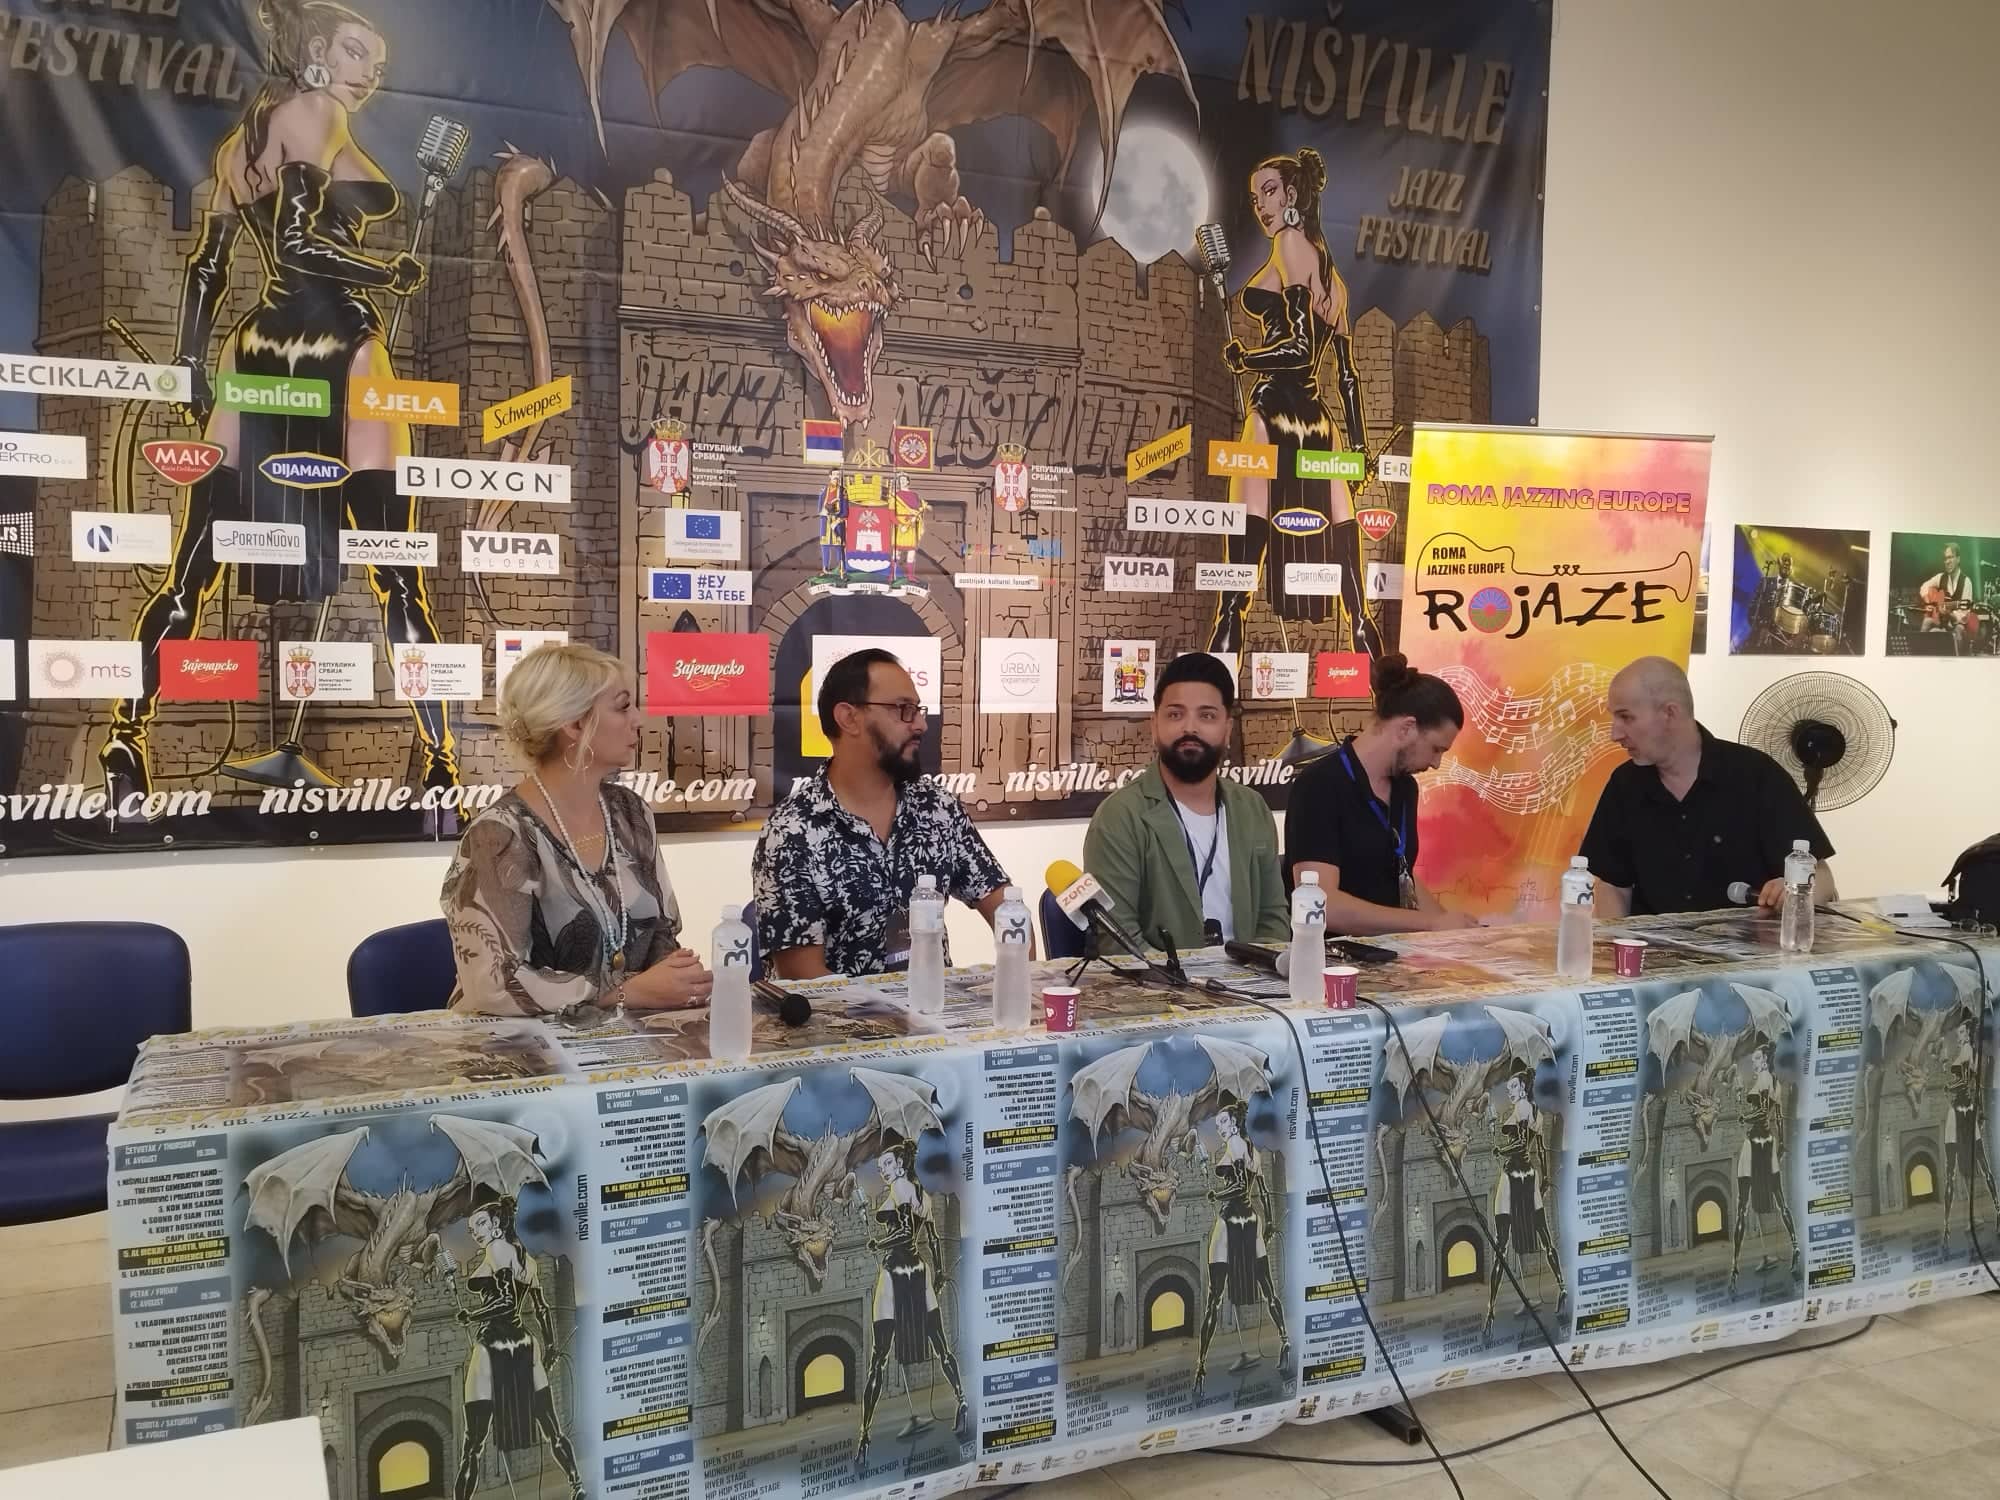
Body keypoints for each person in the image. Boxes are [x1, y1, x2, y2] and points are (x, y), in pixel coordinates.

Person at [100, 0, 454, 803]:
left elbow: (207, 267)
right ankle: (441, 759)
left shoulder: (239, 148)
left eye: (379, 62)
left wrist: (190, 366)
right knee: (397, 574)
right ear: (317, 50)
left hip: (256, 354)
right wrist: (385, 273)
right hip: (341, 348)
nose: (372, 72)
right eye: (357, 52)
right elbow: (297, 245)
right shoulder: (320, 113)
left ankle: (126, 733)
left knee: (193, 568)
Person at [442, 643, 712, 1015]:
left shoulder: (630, 812)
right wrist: (621, 993)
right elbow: (491, 987)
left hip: (625, 1035)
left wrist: (679, 978)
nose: (638, 719)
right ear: (574, 724)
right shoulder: (500, 836)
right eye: (622, 707)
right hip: (522, 1044)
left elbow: (660, 934)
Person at [1211, 147, 1380, 660]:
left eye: (1269, 192)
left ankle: (1227, 632)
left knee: (1249, 516)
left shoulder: (1288, 245)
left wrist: (1247, 358)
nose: (1261, 205)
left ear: (1292, 194)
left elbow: (1301, 350)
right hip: (1319, 424)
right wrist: (1359, 451)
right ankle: (1364, 633)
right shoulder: (1336, 283)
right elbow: (1347, 377)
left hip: (1273, 410)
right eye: (1253, 198)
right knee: (1341, 521)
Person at [753, 648, 1011, 977]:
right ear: (849, 718)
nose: (921, 725)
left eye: (918, 710)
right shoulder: (792, 830)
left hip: (933, 1003)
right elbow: (804, 980)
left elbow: (1007, 910)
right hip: (836, 1011)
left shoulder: (937, 808)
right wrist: (890, 1009)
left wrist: (1016, 982)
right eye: (903, 710)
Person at [1580, 657, 1837, 917]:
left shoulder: (1756, 775)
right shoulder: (1624, 785)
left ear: (1670, 713)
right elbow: (1613, 885)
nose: (1615, 734)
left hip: (1748, 942)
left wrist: (1796, 891)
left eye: (1626, 717)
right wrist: (1613, 939)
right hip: (1652, 943)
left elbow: (1823, 880)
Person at [1082, 651, 1288, 950]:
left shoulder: (1252, 808)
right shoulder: (1120, 816)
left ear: (1227, 730)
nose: (1190, 728)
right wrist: (1180, 977)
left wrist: (1260, 969)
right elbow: (1118, 941)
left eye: (1207, 716)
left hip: (1251, 976)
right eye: (1175, 714)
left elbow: (1273, 920)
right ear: (1154, 725)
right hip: (1160, 978)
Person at [1284, 654, 1477, 934]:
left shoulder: (1405, 787)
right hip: (1329, 957)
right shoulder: (1319, 785)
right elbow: (1323, 905)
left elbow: (1402, 875)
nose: (1436, 763)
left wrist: (1458, 934)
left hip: (1392, 954)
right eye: (1436, 749)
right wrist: (1432, 924)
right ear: (1407, 728)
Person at [450, 1197, 583, 1500]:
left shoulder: (496, 1249)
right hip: (525, 1345)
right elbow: (542, 1309)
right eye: (471, 1229)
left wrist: (472, 1316)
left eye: (481, 1224)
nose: (475, 1232)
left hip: (492, 1345)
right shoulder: (529, 1261)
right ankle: (577, 1483)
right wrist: (550, 1347)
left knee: (473, 1443)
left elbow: (508, 1302)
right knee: (552, 1428)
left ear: (497, 1223)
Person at [857, 1139, 967, 1468]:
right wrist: (940, 1273)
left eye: (888, 1164)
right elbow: (931, 1238)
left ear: (902, 1164)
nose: (883, 1170)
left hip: (895, 1273)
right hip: (919, 1271)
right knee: (940, 1344)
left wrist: (878, 1243)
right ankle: (962, 1400)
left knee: (879, 1357)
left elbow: (905, 1233)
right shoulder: (925, 1197)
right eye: (880, 1166)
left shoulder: (901, 1189)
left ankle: (864, 1435)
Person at [1191, 1101, 1288, 1399]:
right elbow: (1263, 1192)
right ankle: (1285, 1340)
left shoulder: (1234, 1145)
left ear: (1234, 1123)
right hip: (1252, 1222)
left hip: (1231, 1221)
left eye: (1223, 1122)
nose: (1219, 1128)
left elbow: (1241, 1187)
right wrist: (1269, 1223)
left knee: (1214, 1298)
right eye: (1217, 1124)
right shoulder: (1254, 1151)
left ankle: (1200, 1366)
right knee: (1267, 1288)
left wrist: (1216, 1194)